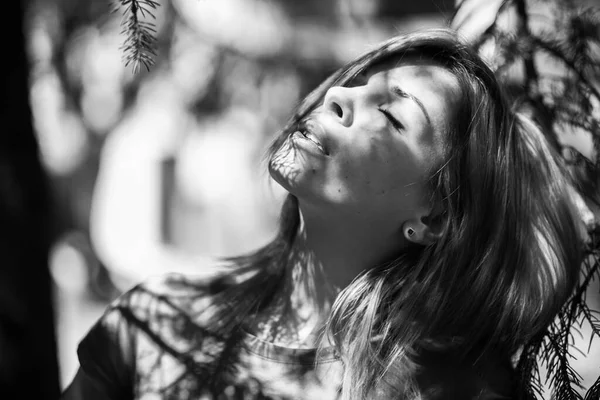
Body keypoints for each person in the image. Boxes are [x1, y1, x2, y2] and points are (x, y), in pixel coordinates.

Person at [60, 29, 584, 400]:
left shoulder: (455, 392)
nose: (336, 95)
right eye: (355, 81)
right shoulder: (158, 318)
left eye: (390, 113)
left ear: (434, 219)